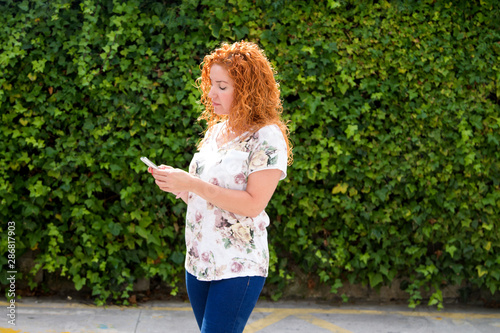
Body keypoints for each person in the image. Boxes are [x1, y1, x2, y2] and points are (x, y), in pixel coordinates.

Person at [149, 41, 293, 333]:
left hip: (238, 265)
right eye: (211, 84)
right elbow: (204, 196)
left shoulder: (266, 137)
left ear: (248, 90)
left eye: (222, 86)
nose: (211, 93)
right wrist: (179, 185)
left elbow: (253, 204)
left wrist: (192, 183)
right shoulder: (216, 131)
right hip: (199, 260)